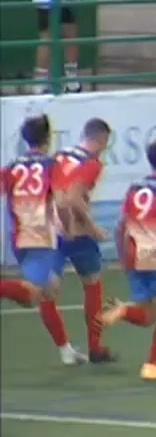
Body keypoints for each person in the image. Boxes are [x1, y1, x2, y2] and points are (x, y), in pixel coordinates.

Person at [100, 136, 156, 381]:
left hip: (135, 256)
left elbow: (120, 227)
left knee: (148, 315)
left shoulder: (134, 188)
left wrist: (122, 257)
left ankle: (124, 311)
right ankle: (152, 364)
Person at [1, 116, 87, 363]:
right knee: (32, 296)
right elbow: (60, 201)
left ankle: (66, 351)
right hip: (40, 235)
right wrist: (68, 228)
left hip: (19, 236)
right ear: (48, 138)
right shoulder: (52, 165)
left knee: (50, 290)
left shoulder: (12, 166)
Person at [50, 117, 117, 364]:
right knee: (92, 284)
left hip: (54, 230)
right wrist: (93, 228)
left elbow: (57, 194)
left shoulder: (59, 155)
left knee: (46, 291)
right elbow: (74, 198)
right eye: (105, 143)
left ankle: (65, 349)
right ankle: (95, 348)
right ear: (100, 139)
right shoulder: (91, 163)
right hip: (77, 232)